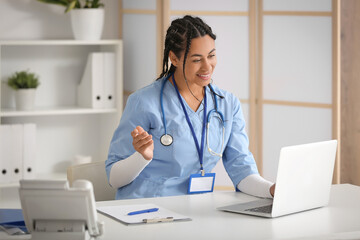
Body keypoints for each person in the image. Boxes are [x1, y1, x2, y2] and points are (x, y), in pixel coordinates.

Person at [106, 15, 275, 200]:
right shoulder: (144, 102)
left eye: (211, 56)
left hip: (196, 210)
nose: (207, 67)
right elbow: (114, 178)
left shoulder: (227, 104)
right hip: (146, 209)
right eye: (196, 59)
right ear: (174, 58)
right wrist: (141, 157)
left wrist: (271, 190)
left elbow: (242, 169)